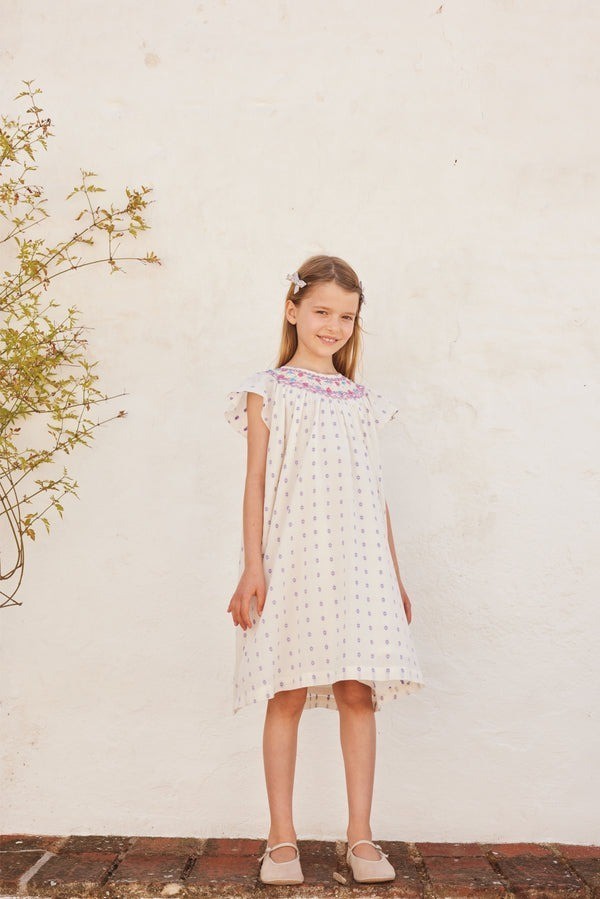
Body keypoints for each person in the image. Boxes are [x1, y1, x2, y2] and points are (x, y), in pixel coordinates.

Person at [224, 254, 425, 885]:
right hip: (292, 557)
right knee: (285, 690)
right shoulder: (268, 390)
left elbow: (375, 492)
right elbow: (256, 483)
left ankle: (360, 836)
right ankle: (280, 838)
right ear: (292, 311)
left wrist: (393, 577)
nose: (333, 326)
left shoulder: (361, 400)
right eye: (321, 311)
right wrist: (252, 568)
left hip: (359, 563)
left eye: (346, 316)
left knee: (356, 692)